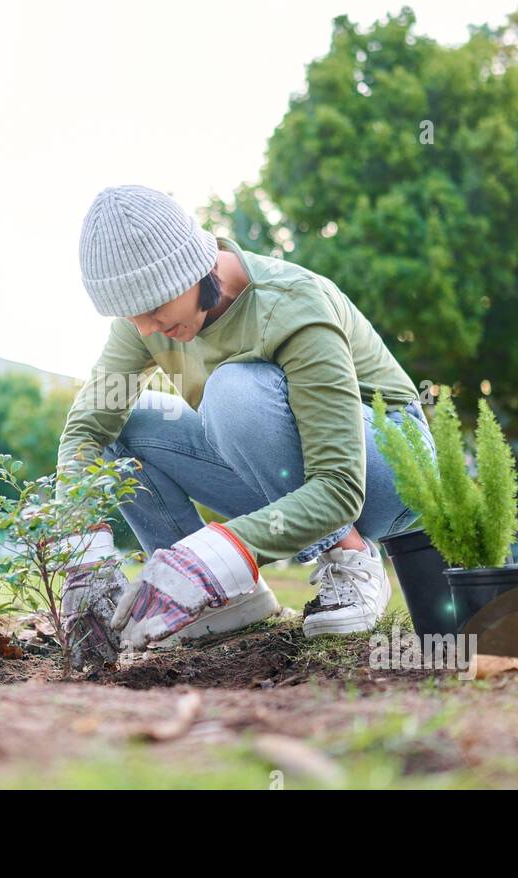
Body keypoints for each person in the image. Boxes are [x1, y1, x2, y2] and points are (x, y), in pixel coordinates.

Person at [56, 184, 435, 667]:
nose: (147, 328)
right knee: (125, 425)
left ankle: (351, 558)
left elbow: (339, 486)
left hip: (382, 471)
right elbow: (87, 429)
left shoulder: (292, 303)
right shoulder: (145, 324)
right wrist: (80, 539)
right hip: (276, 481)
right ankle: (221, 601)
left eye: (154, 310)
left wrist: (216, 553)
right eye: (132, 316)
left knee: (233, 392)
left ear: (197, 268)